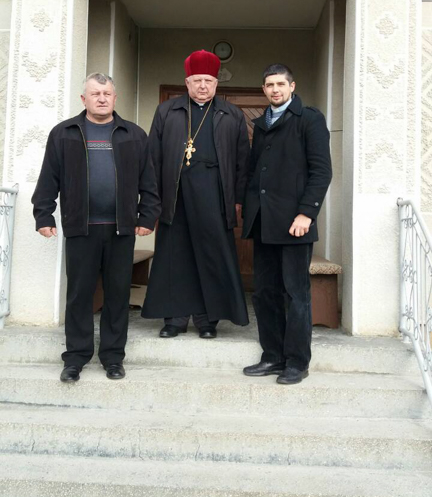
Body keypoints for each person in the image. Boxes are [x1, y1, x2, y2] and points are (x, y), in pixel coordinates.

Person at [32, 73, 160, 383]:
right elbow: (49, 177)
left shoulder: (133, 135)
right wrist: (43, 215)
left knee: (117, 295)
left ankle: (113, 357)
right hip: (81, 228)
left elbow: (148, 180)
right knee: (79, 295)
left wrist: (146, 217)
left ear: (115, 98)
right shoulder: (64, 133)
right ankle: (75, 358)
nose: (101, 98)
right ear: (84, 99)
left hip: (121, 229)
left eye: (106, 93)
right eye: (95, 93)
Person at [141, 49, 250, 338]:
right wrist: (152, 202)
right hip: (175, 195)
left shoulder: (232, 114)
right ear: (187, 82)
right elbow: (152, 159)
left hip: (215, 194)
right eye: (197, 80)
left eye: (208, 81)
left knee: (210, 257)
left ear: (216, 84)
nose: (203, 86)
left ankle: (206, 321)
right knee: (175, 256)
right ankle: (175, 320)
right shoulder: (167, 111)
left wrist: (238, 200)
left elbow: (243, 162)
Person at [242, 64, 332, 385]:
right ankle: (272, 356)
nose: (275, 89)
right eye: (269, 85)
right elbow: (256, 171)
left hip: (295, 223)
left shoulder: (309, 119)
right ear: (264, 89)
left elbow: (321, 171)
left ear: (292, 86)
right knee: (265, 293)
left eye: (280, 84)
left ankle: (296, 361)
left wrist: (306, 213)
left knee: (296, 294)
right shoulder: (262, 123)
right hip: (263, 221)